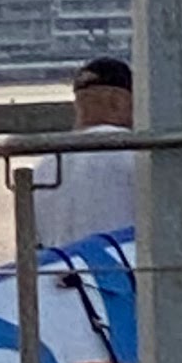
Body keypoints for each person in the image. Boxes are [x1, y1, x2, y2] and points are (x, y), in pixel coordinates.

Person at [44, 56, 138, 248]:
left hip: (65, 265)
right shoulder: (136, 154)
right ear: (119, 101)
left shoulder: (45, 166)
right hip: (124, 264)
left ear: (77, 104)